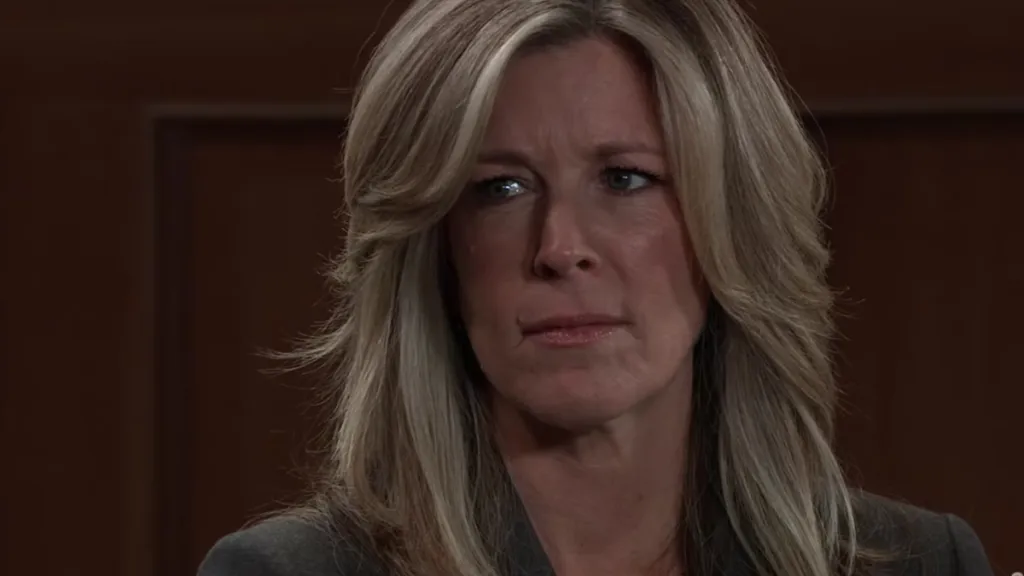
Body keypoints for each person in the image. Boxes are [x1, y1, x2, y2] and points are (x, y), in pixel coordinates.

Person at [199, 0, 994, 575]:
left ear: (729, 225)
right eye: (501, 189)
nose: (559, 248)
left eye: (625, 178)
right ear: (438, 251)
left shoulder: (923, 563)